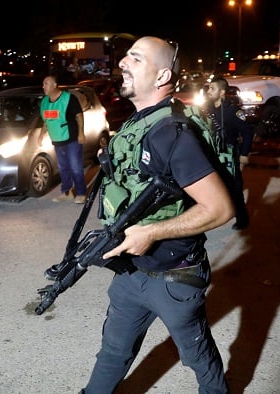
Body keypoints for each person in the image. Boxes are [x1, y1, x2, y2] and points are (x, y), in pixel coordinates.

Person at [79, 37, 233, 393]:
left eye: (135, 58)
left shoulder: (171, 133)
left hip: (176, 278)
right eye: (126, 56)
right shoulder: (141, 123)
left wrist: (152, 233)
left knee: (196, 357)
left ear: (163, 74)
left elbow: (220, 207)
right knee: (112, 353)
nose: (122, 63)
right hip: (131, 271)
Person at [204, 76, 254, 230]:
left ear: (222, 92)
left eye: (212, 88)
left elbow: (248, 132)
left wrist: (244, 154)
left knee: (235, 189)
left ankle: (242, 218)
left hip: (229, 156)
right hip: (212, 154)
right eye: (209, 88)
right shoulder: (207, 109)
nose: (209, 91)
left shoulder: (233, 111)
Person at [38, 75, 87, 204]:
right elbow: (46, 121)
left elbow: (79, 116)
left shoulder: (69, 98)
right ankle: (67, 192)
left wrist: (81, 133)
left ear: (55, 85)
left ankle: (81, 193)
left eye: (46, 83)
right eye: (43, 84)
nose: (43, 86)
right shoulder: (45, 102)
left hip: (72, 139)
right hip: (57, 140)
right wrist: (41, 135)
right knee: (63, 168)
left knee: (76, 167)